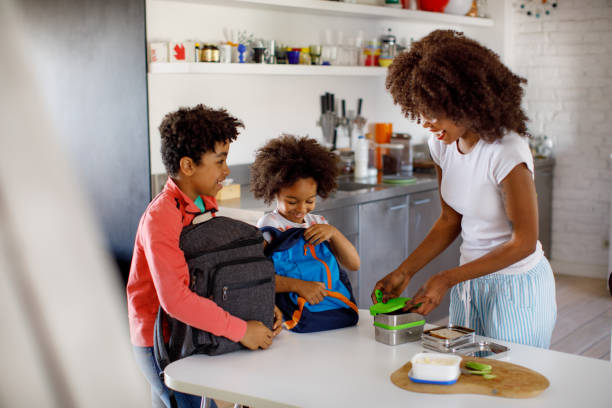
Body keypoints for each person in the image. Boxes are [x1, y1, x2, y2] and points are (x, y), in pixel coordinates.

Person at [372, 30, 557, 348]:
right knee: (465, 382)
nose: (426, 123)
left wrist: (444, 279)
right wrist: (405, 271)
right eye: (420, 111)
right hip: (468, 284)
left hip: (515, 287)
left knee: (507, 385)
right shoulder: (441, 144)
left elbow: (524, 243)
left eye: (434, 111)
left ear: (466, 100)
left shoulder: (505, 150)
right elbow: (449, 219)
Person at [126, 104, 283, 408]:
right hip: (159, 340)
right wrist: (242, 330)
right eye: (220, 161)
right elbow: (176, 300)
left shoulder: (202, 203)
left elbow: (211, 278)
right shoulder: (162, 216)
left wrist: (259, 311)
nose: (226, 170)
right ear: (188, 166)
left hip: (188, 333)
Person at [250, 135, 360, 307]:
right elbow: (257, 275)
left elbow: (354, 264)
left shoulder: (318, 222)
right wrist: (299, 286)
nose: (301, 209)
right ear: (274, 191)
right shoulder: (269, 225)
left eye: (310, 201)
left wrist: (334, 232)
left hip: (325, 308)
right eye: (292, 202)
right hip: (289, 313)